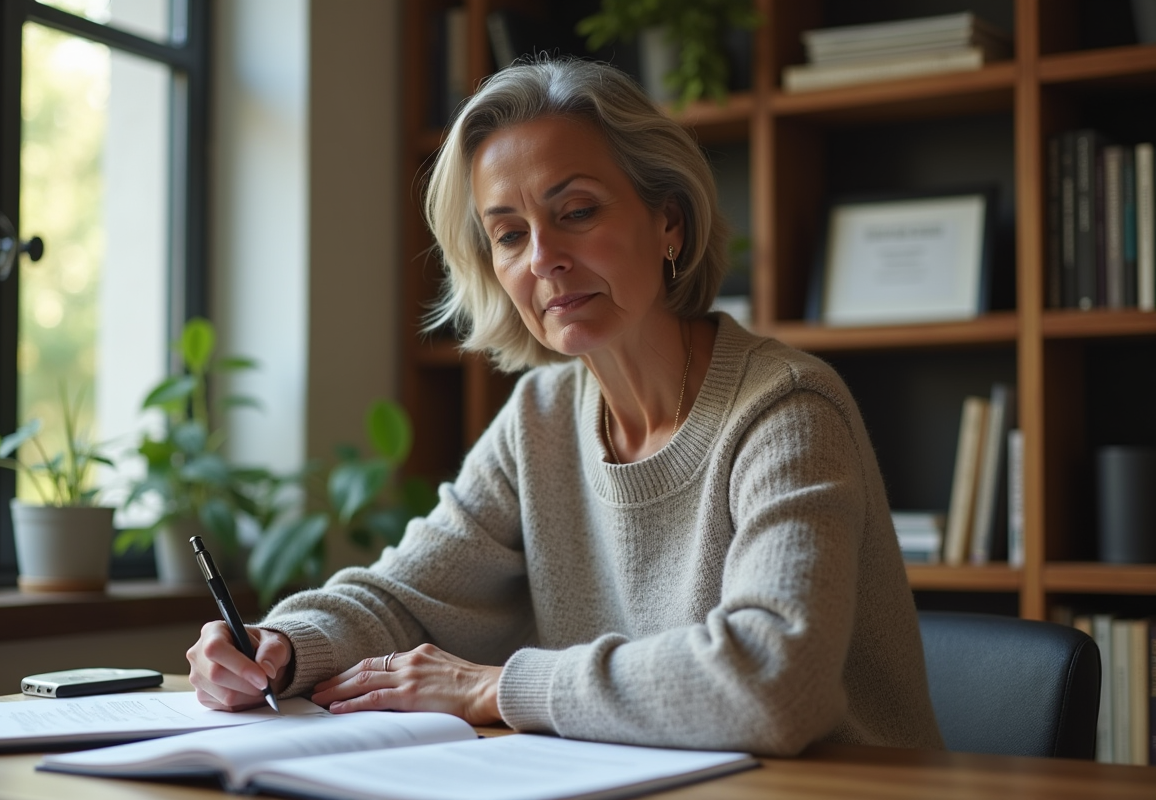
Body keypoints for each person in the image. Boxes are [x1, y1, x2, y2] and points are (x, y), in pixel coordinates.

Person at [188, 57, 943, 756]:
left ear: (669, 223)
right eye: (509, 234)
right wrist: (281, 644)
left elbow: (778, 684)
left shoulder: (786, 409)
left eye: (576, 211)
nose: (542, 257)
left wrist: (492, 686)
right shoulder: (540, 416)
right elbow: (405, 595)